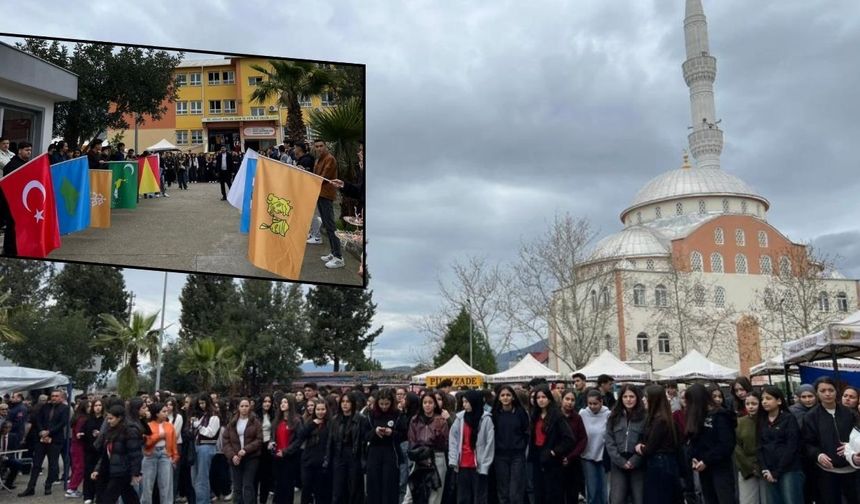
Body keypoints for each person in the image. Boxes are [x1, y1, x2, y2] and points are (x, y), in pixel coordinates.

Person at [802, 376, 858, 504]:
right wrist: (818, 455)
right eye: (823, 391)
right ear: (817, 393)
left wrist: (852, 449)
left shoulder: (849, 413)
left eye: (831, 390)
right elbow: (807, 443)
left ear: (836, 391)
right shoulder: (810, 417)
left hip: (851, 469)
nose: (827, 394)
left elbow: (858, 437)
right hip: (826, 471)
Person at [684, 383, 737, 504]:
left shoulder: (720, 415)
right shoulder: (697, 417)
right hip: (704, 468)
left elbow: (726, 444)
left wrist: (706, 460)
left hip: (720, 467)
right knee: (709, 499)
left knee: (725, 498)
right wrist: (694, 458)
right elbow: (694, 442)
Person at [634, 384, 681, 504]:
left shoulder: (660, 421)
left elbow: (650, 448)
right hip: (664, 464)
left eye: (646, 397)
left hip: (660, 465)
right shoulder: (660, 418)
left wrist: (640, 447)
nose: (643, 400)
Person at [757, 385, 804, 504]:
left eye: (768, 398)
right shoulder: (762, 420)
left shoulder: (788, 419)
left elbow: (792, 447)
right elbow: (759, 446)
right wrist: (764, 468)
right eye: (762, 399)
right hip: (769, 470)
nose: (764, 402)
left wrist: (777, 472)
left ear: (778, 401)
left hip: (789, 469)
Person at [18, 389, 69, 497]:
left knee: (53, 465)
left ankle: (48, 485)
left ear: (61, 397)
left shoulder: (65, 408)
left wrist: (49, 432)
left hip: (55, 440)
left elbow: (62, 423)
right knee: (36, 464)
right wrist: (42, 431)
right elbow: (38, 419)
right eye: (53, 396)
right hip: (41, 439)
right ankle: (30, 488)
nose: (54, 397)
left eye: (56, 396)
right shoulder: (45, 407)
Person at [529, 386, 574, 504]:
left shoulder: (557, 416)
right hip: (537, 458)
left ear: (549, 399)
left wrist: (554, 451)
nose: (540, 400)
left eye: (543, 397)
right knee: (539, 492)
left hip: (552, 459)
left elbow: (569, 439)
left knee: (553, 494)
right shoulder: (535, 416)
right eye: (538, 397)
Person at [448, 389, 494, 504]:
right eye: (463, 402)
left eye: (467, 402)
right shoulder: (460, 418)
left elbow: (490, 443)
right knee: (463, 497)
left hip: (478, 465)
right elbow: (453, 440)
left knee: (480, 497)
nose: (464, 405)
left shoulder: (486, 419)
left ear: (474, 401)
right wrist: (453, 459)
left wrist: (485, 464)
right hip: (462, 464)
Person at [91, 404, 143, 504]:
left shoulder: (130, 431)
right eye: (108, 418)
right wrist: (97, 469)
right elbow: (106, 453)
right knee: (129, 496)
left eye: (111, 418)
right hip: (111, 469)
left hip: (122, 471)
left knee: (108, 498)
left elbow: (135, 454)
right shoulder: (110, 431)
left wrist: (135, 473)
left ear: (119, 418)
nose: (108, 421)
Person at [604, 384, 646, 504]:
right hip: (618, 463)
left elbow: (646, 440)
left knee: (639, 498)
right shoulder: (613, 416)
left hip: (637, 463)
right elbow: (609, 440)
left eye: (632, 396)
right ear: (620, 398)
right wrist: (620, 461)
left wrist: (635, 460)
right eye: (625, 396)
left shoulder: (644, 416)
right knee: (617, 499)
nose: (628, 399)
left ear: (637, 398)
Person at [407, 390, 450, 504]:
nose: (427, 405)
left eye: (430, 402)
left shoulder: (441, 420)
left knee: (435, 496)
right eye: (425, 402)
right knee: (410, 494)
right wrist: (419, 452)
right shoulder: (414, 420)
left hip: (437, 457)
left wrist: (437, 430)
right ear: (421, 404)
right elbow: (412, 440)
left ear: (434, 404)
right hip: (419, 458)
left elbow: (444, 443)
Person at [328, 391, 369, 504]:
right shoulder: (335, 419)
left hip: (354, 456)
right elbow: (331, 440)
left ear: (353, 404)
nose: (345, 404)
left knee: (354, 489)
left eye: (348, 402)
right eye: (343, 402)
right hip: (339, 456)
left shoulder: (361, 419)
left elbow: (364, 440)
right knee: (338, 489)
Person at [490, 385, 529, 504]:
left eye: (508, 395)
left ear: (513, 397)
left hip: (517, 455)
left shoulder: (520, 412)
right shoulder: (494, 414)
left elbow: (526, 431)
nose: (505, 397)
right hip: (500, 455)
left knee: (515, 491)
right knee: (503, 490)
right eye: (502, 395)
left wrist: (521, 445)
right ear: (499, 398)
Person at [310, 139, 344, 269]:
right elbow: (315, 176)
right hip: (320, 194)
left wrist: (310, 179)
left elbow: (323, 178)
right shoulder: (318, 159)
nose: (319, 148)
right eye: (317, 146)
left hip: (326, 195)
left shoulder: (329, 159)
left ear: (326, 146)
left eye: (321, 146)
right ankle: (333, 252)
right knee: (327, 224)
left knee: (330, 226)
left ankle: (339, 257)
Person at [290, 397, 331, 504]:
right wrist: (313, 424)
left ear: (326, 410)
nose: (320, 412)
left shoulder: (330, 423)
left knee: (320, 491)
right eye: (318, 409)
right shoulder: (309, 421)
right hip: (308, 461)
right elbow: (301, 435)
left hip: (322, 462)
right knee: (306, 488)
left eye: (323, 409)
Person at [367, 388, 404, 504]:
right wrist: (374, 431)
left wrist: (392, 433)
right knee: (374, 485)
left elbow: (404, 435)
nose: (384, 406)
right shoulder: (371, 415)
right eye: (381, 404)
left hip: (391, 453)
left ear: (391, 403)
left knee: (389, 485)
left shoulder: (397, 415)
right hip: (374, 453)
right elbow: (364, 435)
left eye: (387, 404)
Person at [223, 398, 262, 504]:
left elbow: (259, 440)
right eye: (242, 406)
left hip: (251, 457)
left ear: (250, 407)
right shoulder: (232, 422)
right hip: (235, 458)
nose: (244, 408)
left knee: (248, 485)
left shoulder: (255, 422)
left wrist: (246, 449)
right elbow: (226, 441)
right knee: (237, 487)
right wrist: (232, 455)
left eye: (246, 406)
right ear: (238, 408)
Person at [142, 402, 179, 504]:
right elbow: (146, 443)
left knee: (166, 486)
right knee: (147, 486)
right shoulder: (148, 425)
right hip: (150, 455)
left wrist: (174, 457)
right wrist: (159, 436)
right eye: (164, 411)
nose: (166, 413)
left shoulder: (170, 426)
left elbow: (173, 443)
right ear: (157, 413)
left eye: (166, 411)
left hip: (165, 455)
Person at [1, 141, 33, 257]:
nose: (29, 152)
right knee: (12, 228)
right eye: (26, 150)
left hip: (23, 203)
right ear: (19, 150)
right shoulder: (12, 165)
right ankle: (9, 251)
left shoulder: (27, 164)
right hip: (12, 203)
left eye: (30, 150)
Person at [734, 392, 766, 504]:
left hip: (767, 467)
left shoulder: (767, 421)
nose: (750, 406)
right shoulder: (740, 422)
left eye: (754, 403)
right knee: (748, 501)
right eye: (747, 403)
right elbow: (737, 447)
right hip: (746, 468)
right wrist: (750, 467)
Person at [581, 389, 609, 504]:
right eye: (590, 404)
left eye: (595, 404)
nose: (592, 406)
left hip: (604, 457)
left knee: (604, 490)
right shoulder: (583, 413)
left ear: (601, 402)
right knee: (592, 490)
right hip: (587, 456)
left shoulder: (608, 414)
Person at [191, 394, 220, 504]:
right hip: (197, 445)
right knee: (195, 477)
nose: (201, 405)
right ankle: (202, 500)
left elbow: (211, 433)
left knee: (202, 478)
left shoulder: (214, 416)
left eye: (203, 403)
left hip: (206, 447)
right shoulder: (203, 415)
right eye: (200, 403)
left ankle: (203, 502)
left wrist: (198, 426)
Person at [271, 395, 301, 504]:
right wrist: (272, 445)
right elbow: (273, 437)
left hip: (289, 457)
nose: (282, 404)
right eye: (282, 402)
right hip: (276, 456)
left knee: (287, 485)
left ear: (291, 404)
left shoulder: (296, 421)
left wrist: (285, 451)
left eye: (285, 402)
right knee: (278, 484)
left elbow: (298, 440)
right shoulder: (276, 420)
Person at [66, 399, 90, 498]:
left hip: (75, 445)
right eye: (88, 406)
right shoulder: (82, 419)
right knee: (79, 468)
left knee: (76, 467)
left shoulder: (78, 418)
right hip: (79, 446)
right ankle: (72, 488)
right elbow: (79, 433)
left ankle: (72, 487)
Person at [83, 399, 105, 504]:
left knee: (100, 473)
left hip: (101, 450)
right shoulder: (88, 419)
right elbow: (84, 432)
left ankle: (99, 495)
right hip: (89, 450)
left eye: (100, 405)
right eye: (96, 405)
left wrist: (100, 434)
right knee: (88, 472)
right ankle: (88, 495)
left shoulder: (105, 420)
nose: (98, 407)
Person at [0, 420, 24, 489]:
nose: (6, 429)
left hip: (7, 458)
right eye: (4, 427)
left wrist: (7, 456)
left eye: (8, 428)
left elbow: (14, 450)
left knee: (17, 463)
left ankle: (8, 483)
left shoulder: (13, 436)